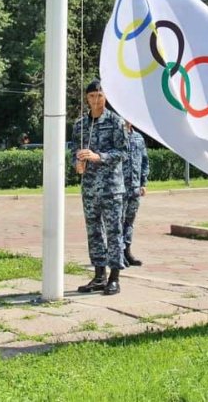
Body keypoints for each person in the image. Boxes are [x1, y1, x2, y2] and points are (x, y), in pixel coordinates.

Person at [70, 79, 129, 295]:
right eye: (92, 96)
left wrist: (98, 157)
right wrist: (76, 162)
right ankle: (98, 275)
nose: (96, 100)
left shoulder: (116, 122)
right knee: (94, 232)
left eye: (100, 96)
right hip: (89, 188)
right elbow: (73, 149)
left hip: (111, 188)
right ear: (87, 98)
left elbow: (123, 152)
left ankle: (114, 278)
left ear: (106, 97)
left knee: (114, 232)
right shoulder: (80, 125)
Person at [122, 121, 149, 267]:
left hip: (134, 188)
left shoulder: (138, 137)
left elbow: (144, 161)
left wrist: (143, 183)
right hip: (118, 188)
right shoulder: (115, 137)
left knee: (129, 221)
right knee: (117, 222)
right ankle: (118, 254)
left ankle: (127, 251)